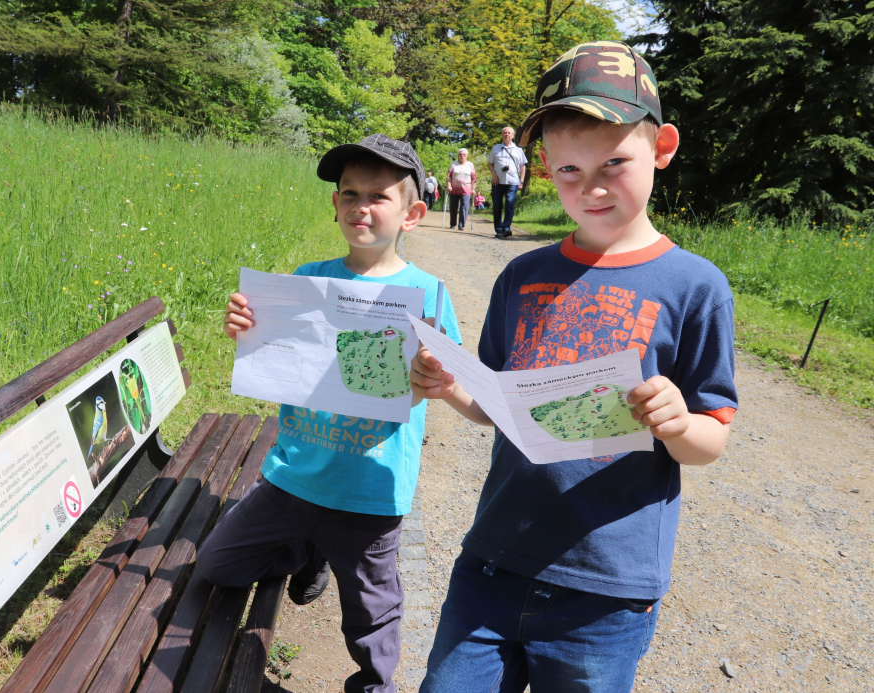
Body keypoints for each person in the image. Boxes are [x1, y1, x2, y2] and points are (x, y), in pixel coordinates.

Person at [411, 42, 738, 693]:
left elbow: (711, 439)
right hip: (492, 564)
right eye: (567, 169)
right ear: (541, 168)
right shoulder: (522, 275)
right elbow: (502, 404)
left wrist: (676, 422)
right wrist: (452, 389)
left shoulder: (695, 286)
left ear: (662, 147)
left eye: (614, 163)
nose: (589, 187)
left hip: (606, 591)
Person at [197, 133, 462, 693]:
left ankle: (374, 684)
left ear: (412, 213)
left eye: (377, 196)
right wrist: (247, 328)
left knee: (372, 612)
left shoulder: (428, 294)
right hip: (293, 476)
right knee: (216, 568)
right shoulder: (306, 278)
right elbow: (276, 356)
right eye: (348, 194)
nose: (359, 207)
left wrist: (440, 380)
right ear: (334, 205)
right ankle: (306, 548)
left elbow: (459, 386)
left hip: (370, 488)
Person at [487, 126, 528, 238]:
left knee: (509, 204)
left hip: (513, 182)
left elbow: (523, 166)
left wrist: (521, 181)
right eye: (505, 133)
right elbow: (489, 164)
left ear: (513, 135)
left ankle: (506, 228)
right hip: (497, 182)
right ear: (502, 135)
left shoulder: (518, 150)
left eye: (509, 133)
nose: (507, 135)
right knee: (497, 206)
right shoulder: (496, 148)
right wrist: (494, 175)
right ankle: (499, 230)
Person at [446, 148, 476, 230]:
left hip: (466, 189)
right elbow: (449, 176)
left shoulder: (470, 165)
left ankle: (461, 224)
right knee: (453, 207)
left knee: (464, 207)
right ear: (458, 155)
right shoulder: (454, 164)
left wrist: (473, 189)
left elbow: (473, 178)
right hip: (454, 189)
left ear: (466, 156)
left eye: (464, 154)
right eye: (460, 154)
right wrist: (449, 185)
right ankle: (452, 224)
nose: (462, 156)